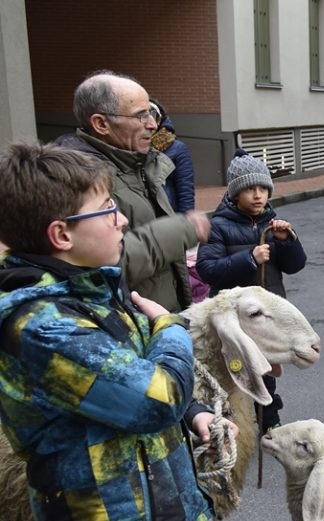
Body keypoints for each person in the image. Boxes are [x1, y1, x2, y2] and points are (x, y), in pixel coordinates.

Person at [0, 143, 226, 521]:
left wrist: (192, 412)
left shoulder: (94, 287)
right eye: (107, 209)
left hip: (159, 517)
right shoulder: (42, 327)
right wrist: (170, 325)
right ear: (62, 234)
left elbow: (129, 372)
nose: (122, 220)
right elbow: (158, 399)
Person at [55, 70, 210, 313]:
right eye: (140, 116)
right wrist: (180, 231)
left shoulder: (140, 162)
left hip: (163, 319)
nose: (152, 124)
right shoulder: (76, 179)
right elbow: (98, 267)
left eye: (151, 112)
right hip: (129, 327)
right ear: (101, 124)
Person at [196, 149, 307, 431]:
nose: (258, 195)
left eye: (263, 189)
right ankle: (231, 422)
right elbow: (207, 268)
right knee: (234, 369)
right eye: (249, 189)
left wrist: (287, 242)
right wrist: (249, 258)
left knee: (265, 371)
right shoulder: (218, 226)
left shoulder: (273, 225)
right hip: (236, 317)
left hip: (265, 318)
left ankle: (268, 422)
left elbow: (295, 266)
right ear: (235, 194)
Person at [149, 98, 197, 213]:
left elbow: (185, 192)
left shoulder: (177, 148)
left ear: (159, 120)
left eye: (152, 115)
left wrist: (184, 223)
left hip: (168, 215)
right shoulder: (130, 146)